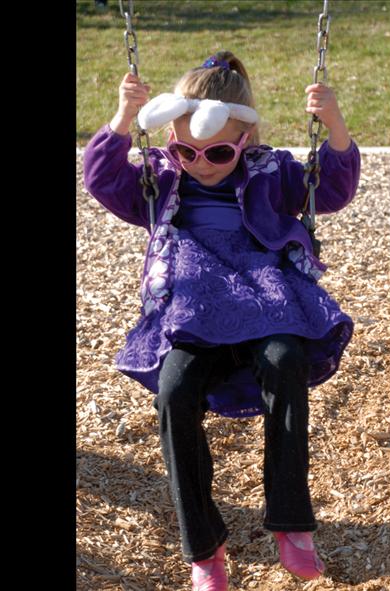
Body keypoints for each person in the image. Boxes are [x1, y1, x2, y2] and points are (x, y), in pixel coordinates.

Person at [83, 50, 360, 590]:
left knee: (285, 360)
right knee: (174, 388)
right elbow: (101, 178)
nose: (199, 160)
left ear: (245, 141)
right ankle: (204, 548)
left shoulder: (271, 171)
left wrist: (336, 127)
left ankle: (291, 524)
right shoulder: (162, 180)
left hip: (265, 297)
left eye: (216, 151)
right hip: (192, 306)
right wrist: (121, 118)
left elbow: (330, 190)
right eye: (184, 147)